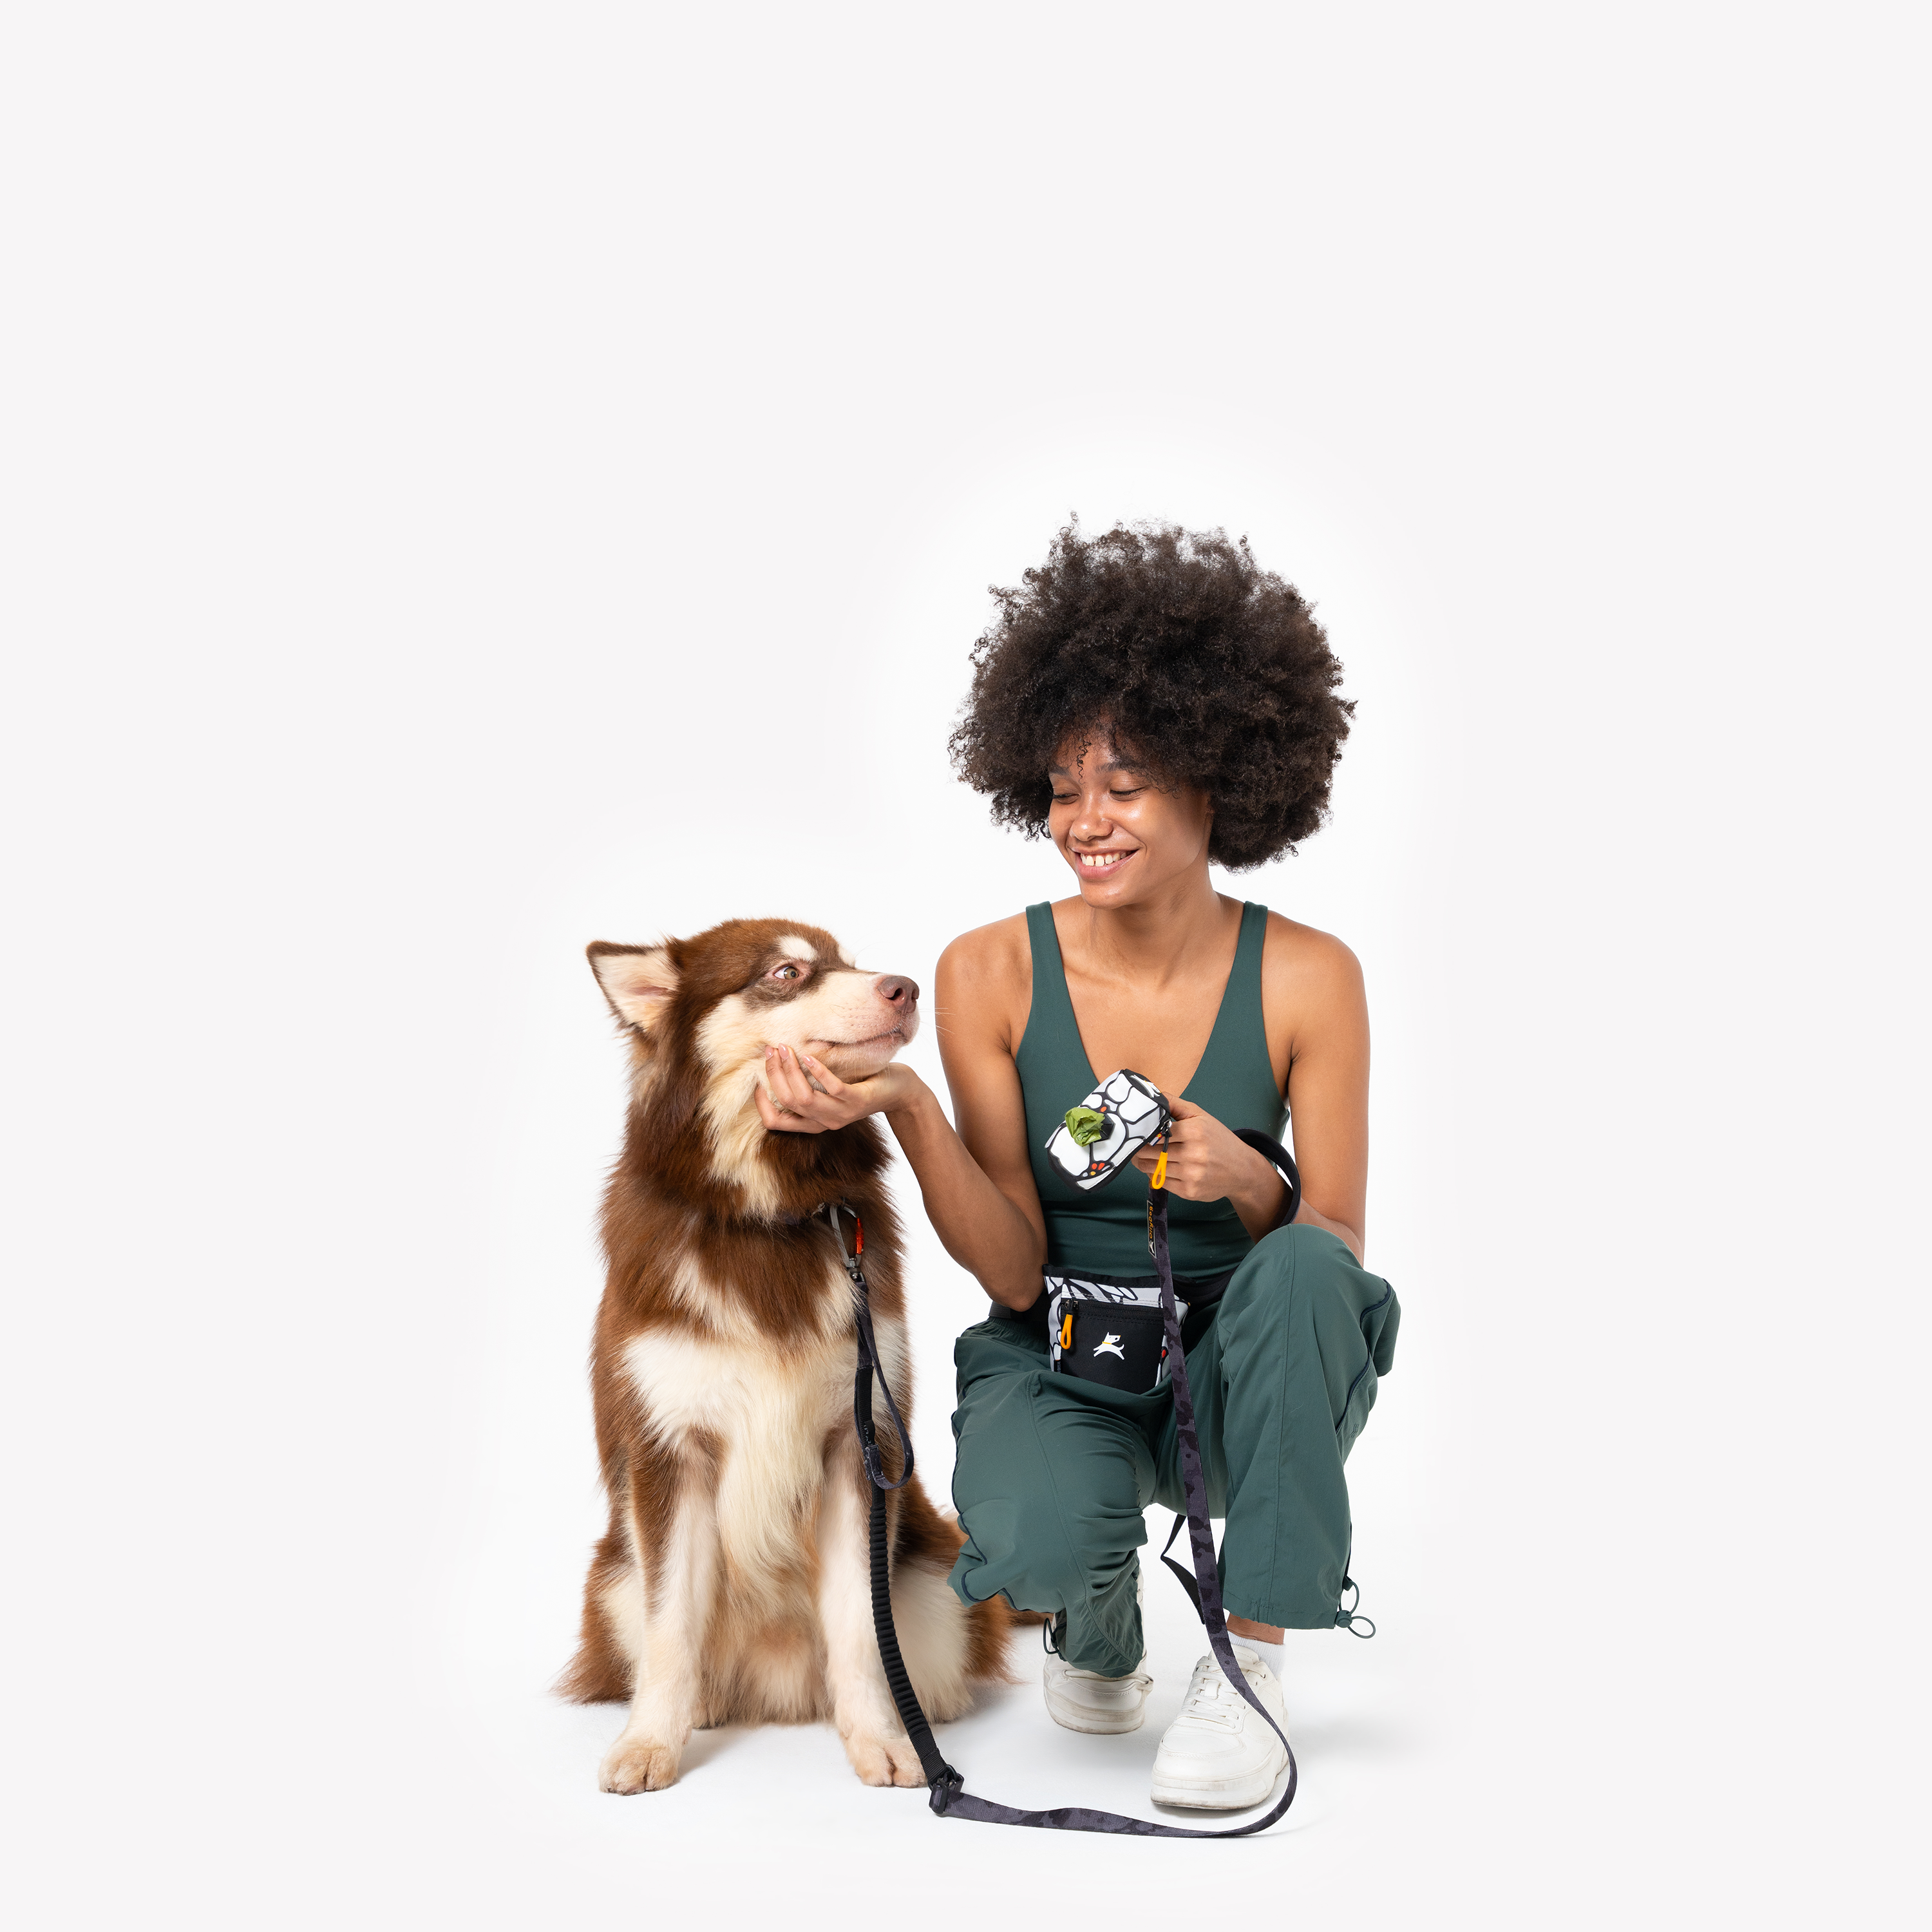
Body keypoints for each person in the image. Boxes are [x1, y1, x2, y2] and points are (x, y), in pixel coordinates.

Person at [759, 520, 1399, 1811]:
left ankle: (1246, 1658)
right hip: (1064, 1351)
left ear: (1221, 773)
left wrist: (1253, 1184)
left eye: (1125, 782)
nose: (1083, 822)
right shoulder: (988, 971)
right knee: (1038, 1548)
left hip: (1244, 1365)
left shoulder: (1311, 976)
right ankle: (1094, 1607)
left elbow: (1336, 1256)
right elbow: (1009, 1267)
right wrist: (908, 1108)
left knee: (1302, 1281)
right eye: (1060, 786)